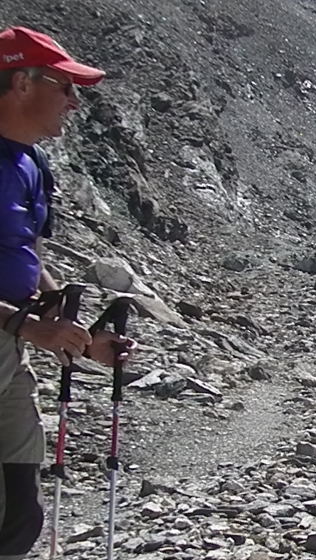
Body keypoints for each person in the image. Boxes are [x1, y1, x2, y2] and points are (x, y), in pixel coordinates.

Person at [0, 25, 127, 560]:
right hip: (11, 333)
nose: (76, 102)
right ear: (21, 83)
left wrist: (78, 334)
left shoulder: (30, 164)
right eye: (64, 85)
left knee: (20, 513)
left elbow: (23, 256)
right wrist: (29, 325)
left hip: (9, 348)